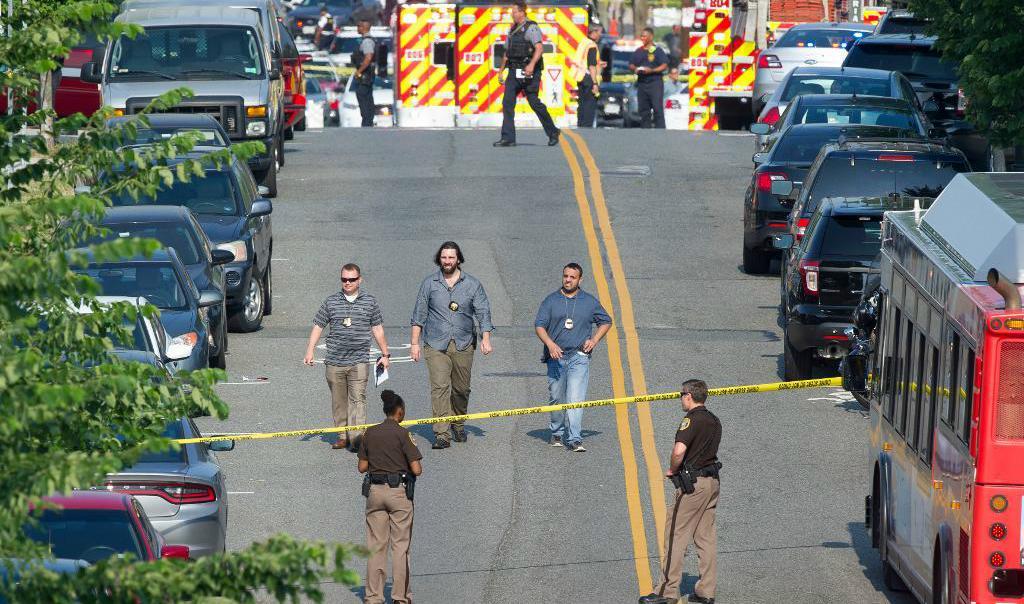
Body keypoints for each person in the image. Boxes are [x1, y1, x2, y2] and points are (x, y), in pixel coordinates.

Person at [640, 379, 722, 604]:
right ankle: (706, 592)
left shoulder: (691, 420)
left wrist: (672, 469)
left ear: (689, 396)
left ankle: (667, 591)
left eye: (681, 394)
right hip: (712, 483)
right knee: (705, 538)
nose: (679, 398)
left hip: (693, 486)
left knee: (675, 535)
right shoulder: (714, 420)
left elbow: (679, 451)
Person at [410, 241, 493, 449]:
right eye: (444, 257)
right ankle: (442, 434)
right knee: (439, 387)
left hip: (463, 343)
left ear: (458, 259)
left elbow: (483, 312)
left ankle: (457, 423)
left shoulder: (472, 284)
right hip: (435, 345)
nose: (447, 261)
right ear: (439, 258)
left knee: (461, 389)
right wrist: (414, 343)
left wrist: (486, 338)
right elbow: (418, 314)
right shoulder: (430, 283)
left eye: (451, 257)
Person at [304, 263, 390, 451]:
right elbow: (318, 325)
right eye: (344, 279)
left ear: (360, 280)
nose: (347, 283)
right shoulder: (331, 302)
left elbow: (377, 328)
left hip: (359, 360)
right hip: (334, 361)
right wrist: (310, 350)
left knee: (358, 399)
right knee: (339, 400)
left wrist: (385, 354)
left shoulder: (370, 302)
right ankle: (342, 435)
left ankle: (357, 436)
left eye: (351, 279)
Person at [534, 263, 612, 452]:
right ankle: (557, 432)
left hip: (579, 356)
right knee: (556, 398)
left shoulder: (589, 301)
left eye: (572, 277)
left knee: (575, 398)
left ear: (580, 280)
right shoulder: (551, 300)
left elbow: (606, 321)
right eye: (565, 276)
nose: (568, 280)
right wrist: (550, 344)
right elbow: (539, 325)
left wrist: (594, 340)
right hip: (556, 357)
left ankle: (575, 438)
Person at [359, 390, 422, 604]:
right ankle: (400, 597)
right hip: (398, 494)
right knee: (400, 546)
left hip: (375, 493)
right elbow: (417, 468)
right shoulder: (403, 434)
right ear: (400, 412)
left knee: (376, 546)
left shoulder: (370, 432)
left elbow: (362, 466)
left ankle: (373, 597)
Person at [493, 0, 560, 148]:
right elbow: (507, 53)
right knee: (507, 103)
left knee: (534, 102)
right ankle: (508, 138)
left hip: (529, 71)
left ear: (522, 12)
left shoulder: (532, 28)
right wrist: (501, 71)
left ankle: (553, 132)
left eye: (514, 11)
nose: (512, 14)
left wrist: (531, 65)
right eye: (512, 12)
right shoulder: (512, 30)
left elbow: (539, 48)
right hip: (514, 71)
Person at [629, 27, 669, 129]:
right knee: (643, 109)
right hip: (642, 83)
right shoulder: (638, 51)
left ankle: (660, 131)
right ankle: (645, 132)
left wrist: (652, 70)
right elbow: (631, 65)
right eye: (641, 36)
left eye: (644, 36)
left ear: (651, 37)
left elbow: (664, 65)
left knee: (657, 108)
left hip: (655, 83)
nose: (642, 38)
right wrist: (636, 69)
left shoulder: (657, 51)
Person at [571, 25, 602, 128]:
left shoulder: (584, 42)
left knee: (582, 103)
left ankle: (581, 126)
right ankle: (586, 128)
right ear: (595, 32)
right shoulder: (592, 45)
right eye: (599, 32)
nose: (600, 35)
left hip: (581, 77)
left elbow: (585, 60)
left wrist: (600, 63)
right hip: (589, 78)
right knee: (590, 104)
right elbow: (591, 66)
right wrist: (595, 83)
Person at [351, 19, 378, 128]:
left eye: (359, 26)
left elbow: (368, 58)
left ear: (364, 27)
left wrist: (359, 71)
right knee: (366, 97)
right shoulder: (365, 40)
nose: (357, 28)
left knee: (363, 97)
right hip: (366, 75)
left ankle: (367, 122)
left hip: (365, 75)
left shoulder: (367, 41)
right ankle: (367, 121)